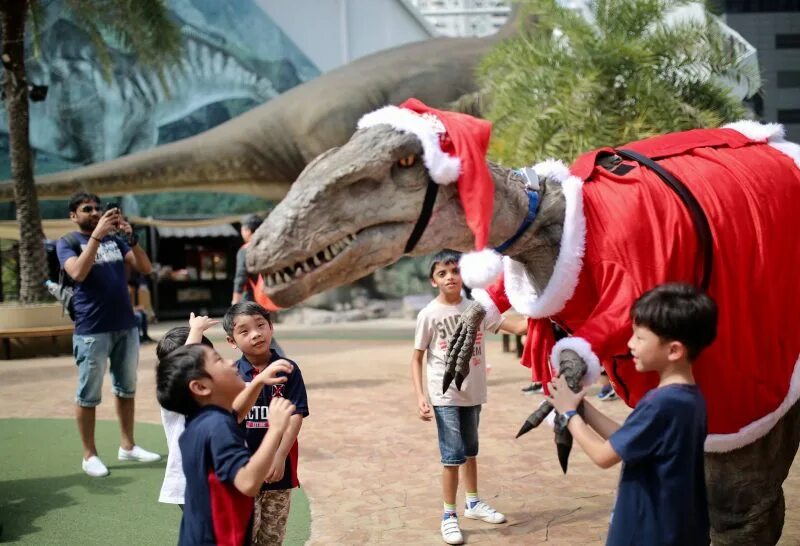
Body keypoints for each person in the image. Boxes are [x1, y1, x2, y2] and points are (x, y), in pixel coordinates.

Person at [548, 283, 717, 546]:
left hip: (646, 531)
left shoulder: (661, 403)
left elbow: (604, 456)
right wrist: (582, 406)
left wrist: (569, 414)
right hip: (677, 528)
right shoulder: (689, 398)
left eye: (639, 337)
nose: (630, 344)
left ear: (674, 350)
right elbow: (627, 440)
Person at [411, 250, 527, 545]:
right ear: (433, 281)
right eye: (442, 273)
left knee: (471, 451)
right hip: (444, 394)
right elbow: (417, 358)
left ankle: (473, 503)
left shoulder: (479, 308)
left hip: (474, 393)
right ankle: (449, 515)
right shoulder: (429, 314)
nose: (450, 276)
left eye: (454, 270)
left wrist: (542, 312)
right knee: (452, 455)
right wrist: (421, 396)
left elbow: (514, 326)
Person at [57, 192, 159, 477]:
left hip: (125, 326)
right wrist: (97, 237)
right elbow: (77, 273)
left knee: (126, 389)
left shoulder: (115, 241)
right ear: (73, 216)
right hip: (91, 330)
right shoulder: (67, 243)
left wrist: (132, 238)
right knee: (88, 395)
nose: (94, 212)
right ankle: (89, 455)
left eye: (97, 208)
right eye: (86, 209)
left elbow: (146, 268)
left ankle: (128, 446)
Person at [156, 343, 295, 546]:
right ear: (201, 387)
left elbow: (236, 413)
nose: (231, 362)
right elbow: (247, 482)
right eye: (218, 360)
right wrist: (276, 430)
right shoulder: (218, 426)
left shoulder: (200, 422)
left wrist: (257, 382)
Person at [224, 301, 309, 546]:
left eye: (261, 325)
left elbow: (296, 415)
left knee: (272, 537)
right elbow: (229, 418)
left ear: (271, 327)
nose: (256, 334)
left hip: (278, 472)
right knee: (244, 536)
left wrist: (280, 455)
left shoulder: (289, 370)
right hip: (242, 471)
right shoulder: (231, 374)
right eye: (244, 331)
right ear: (232, 341)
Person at [156, 314, 218, 508]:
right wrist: (196, 331)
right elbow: (183, 368)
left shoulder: (213, 386)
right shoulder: (173, 394)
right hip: (190, 481)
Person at [231, 214, 263, 304]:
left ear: (248, 231)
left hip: (251, 299)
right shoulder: (268, 248)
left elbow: (241, 276)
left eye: (242, 230)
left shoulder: (245, 250)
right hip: (270, 298)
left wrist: (235, 301)